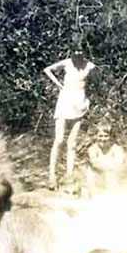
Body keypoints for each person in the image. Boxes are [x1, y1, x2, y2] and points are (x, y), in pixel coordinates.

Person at [44, 44, 97, 190]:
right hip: (65, 102)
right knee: (59, 139)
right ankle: (52, 176)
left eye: (80, 50)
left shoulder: (90, 66)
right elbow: (47, 70)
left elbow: (96, 85)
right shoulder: (67, 63)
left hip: (80, 103)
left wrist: (88, 100)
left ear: (84, 51)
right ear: (71, 51)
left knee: (72, 143)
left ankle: (69, 177)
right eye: (75, 51)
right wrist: (59, 85)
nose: (78, 53)